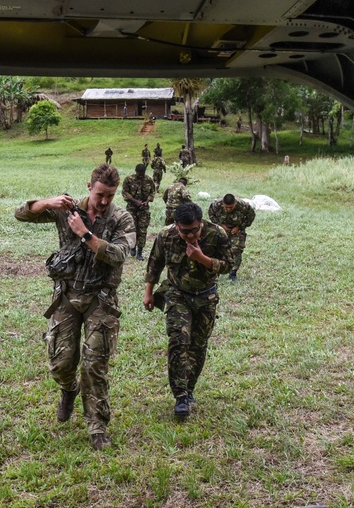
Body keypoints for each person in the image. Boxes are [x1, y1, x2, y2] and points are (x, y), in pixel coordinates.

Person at [14, 164, 135, 451]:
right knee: (60, 363)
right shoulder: (68, 209)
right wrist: (47, 203)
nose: (104, 201)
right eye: (100, 194)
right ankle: (69, 390)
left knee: (94, 365)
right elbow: (21, 213)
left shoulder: (121, 218)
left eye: (110, 196)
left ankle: (97, 426)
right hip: (67, 296)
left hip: (101, 298)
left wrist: (85, 235)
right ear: (89, 186)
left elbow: (118, 254)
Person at [144, 202, 233, 419]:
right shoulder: (166, 235)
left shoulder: (216, 233)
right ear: (176, 225)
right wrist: (149, 292)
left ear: (201, 223)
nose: (191, 235)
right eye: (185, 232)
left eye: (195, 230)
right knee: (178, 340)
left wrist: (201, 258)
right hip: (177, 294)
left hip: (206, 296)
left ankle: (190, 387)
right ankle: (181, 396)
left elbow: (228, 264)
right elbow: (155, 263)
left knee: (198, 345)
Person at [208, 194, 256, 281]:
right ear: (222, 204)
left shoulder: (243, 206)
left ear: (235, 203)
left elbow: (251, 217)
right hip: (221, 229)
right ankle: (216, 270)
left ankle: (233, 273)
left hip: (236, 229)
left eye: (231, 207)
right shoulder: (216, 204)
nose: (228, 209)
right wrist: (220, 225)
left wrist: (240, 227)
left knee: (236, 249)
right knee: (215, 248)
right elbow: (211, 214)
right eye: (226, 207)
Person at [122, 163, 156, 259]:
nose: (140, 175)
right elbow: (125, 192)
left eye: (142, 173)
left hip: (144, 210)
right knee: (132, 228)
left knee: (142, 230)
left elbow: (152, 192)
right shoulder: (129, 179)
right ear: (136, 171)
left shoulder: (148, 180)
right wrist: (135, 201)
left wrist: (147, 201)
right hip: (132, 208)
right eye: (139, 173)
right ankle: (132, 247)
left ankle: (140, 252)